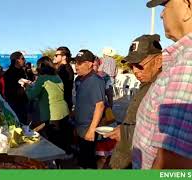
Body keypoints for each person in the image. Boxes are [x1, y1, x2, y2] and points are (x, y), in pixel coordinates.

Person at [132, 0, 192, 169]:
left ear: (187, 6)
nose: (161, 14)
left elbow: (174, 162)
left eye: (165, 6)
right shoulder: (180, 59)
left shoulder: (187, 64)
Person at [105, 34, 163, 169]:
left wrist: (125, 133)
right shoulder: (146, 83)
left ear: (159, 60)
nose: (135, 71)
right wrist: (123, 129)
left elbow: (162, 135)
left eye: (139, 65)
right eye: (131, 66)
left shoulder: (164, 89)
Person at [23, 56, 70, 152]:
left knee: (54, 142)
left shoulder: (42, 78)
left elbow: (31, 95)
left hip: (52, 114)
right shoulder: (57, 76)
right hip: (64, 111)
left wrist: (26, 87)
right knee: (62, 139)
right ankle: (65, 157)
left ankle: (57, 162)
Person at [73, 49, 105, 169]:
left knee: (89, 159)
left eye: (80, 63)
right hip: (79, 125)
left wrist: (92, 130)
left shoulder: (96, 81)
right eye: (75, 62)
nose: (76, 66)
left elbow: (100, 105)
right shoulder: (79, 80)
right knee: (82, 156)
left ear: (90, 64)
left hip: (89, 126)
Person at [3, 51, 29, 124]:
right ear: (17, 60)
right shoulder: (9, 73)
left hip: (22, 101)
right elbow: (8, 90)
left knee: (23, 122)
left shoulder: (22, 71)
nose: (25, 60)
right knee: (16, 123)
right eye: (23, 58)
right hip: (14, 103)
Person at [53, 47, 74, 112]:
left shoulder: (64, 69)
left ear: (64, 57)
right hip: (63, 102)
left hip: (62, 104)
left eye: (56, 55)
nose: (54, 57)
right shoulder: (63, 67)